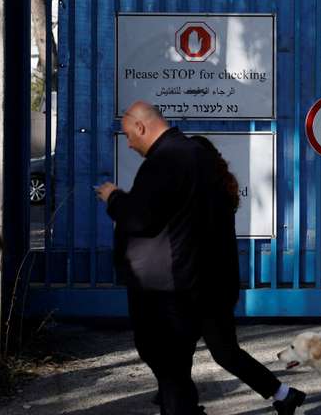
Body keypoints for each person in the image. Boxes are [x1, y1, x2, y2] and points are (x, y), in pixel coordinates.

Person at [96, 103, 303, 415]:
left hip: (177, 287)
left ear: (141, 127)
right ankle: (281, 394)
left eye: (128, 135)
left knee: (169, 361)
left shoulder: (165, 161)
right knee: (208, 355)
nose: (127, 142)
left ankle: (182, 405)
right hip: (211, 281)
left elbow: (140, 219)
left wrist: (114, 198)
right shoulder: (204, 165)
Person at [191, 135, 306, 414]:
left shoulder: (205, 194)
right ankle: (179, 404)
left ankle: (284, 393)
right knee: (178, 351)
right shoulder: (213, 189)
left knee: (222, 352)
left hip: (207, 288)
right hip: (208, 286)